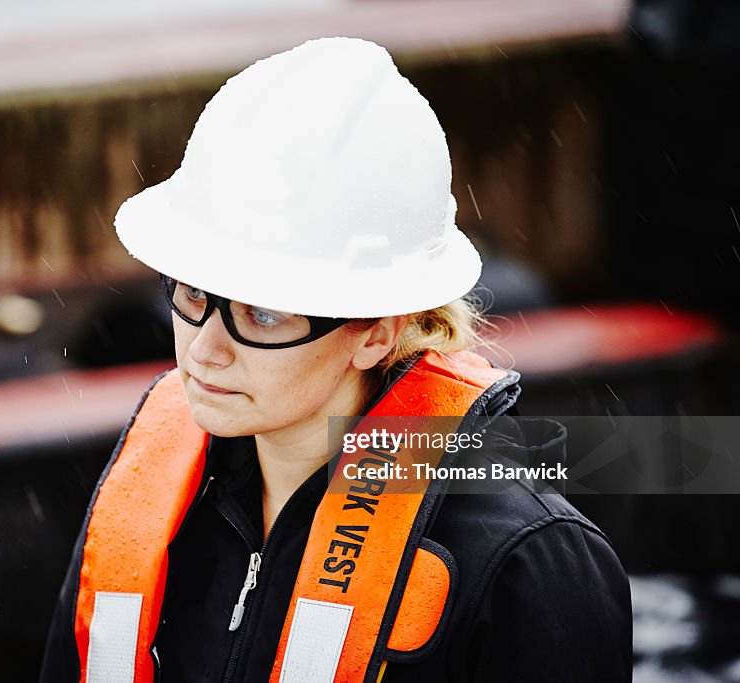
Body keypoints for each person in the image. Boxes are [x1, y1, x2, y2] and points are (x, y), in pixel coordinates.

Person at [39, 37, 632, 682]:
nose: (205, 349)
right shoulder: (145, 508)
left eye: (263, 313)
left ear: (376, 332)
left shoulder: (525, 565)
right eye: (193, 293)